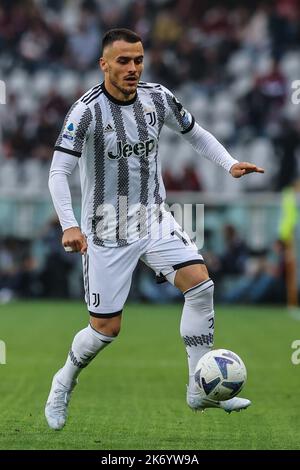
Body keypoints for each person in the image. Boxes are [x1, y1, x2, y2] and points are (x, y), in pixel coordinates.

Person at [46, 28, 264, 430]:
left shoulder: (158, 97)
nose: (133, 68)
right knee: (105, 330)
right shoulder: (86, 111)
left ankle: (199, 388)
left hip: (152, 217)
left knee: (200, 285)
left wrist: (229, 162)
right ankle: (64, 381)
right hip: (105, 229)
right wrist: (69, 225)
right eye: (124, 61)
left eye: (138, 60)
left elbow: (194, 132)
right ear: (104, 64)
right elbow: (59, 171)